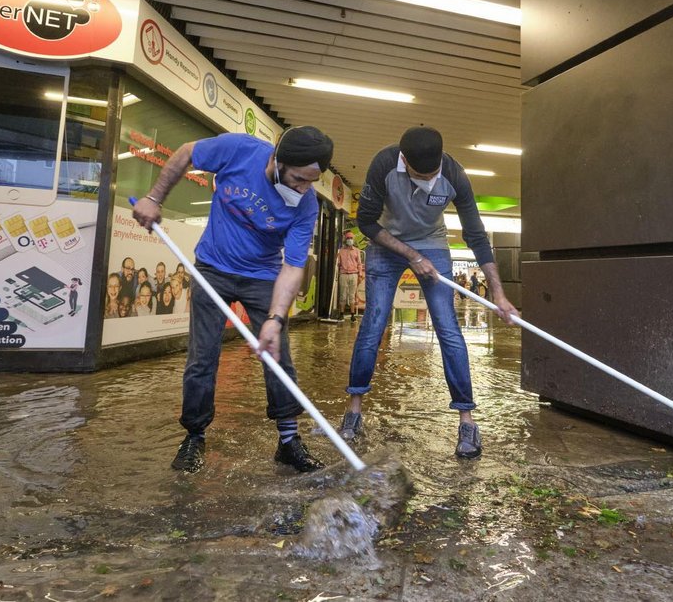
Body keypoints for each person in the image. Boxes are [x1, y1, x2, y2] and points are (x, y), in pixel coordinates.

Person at [132, 125, 334, 474]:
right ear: (277, 161)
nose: (304, 189)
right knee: (202, 357)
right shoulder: (238, 150)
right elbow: (185, 153)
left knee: (279, 355)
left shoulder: (305, 206)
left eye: (311, 182)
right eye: (299, 179)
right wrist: (154, 198)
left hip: (263, 276)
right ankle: (194, 436)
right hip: (213, 267)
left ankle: (288, 441)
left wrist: (275, 319)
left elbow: (293, 267)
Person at [339, 126, 517, 459]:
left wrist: (499, 295)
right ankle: (353, 410)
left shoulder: (453, 174)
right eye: (420, 175)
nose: (426, 180)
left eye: (431, 174)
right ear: (404, 160)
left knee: (448, 328)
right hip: (386, 242)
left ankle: (467, 420)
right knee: (373, 324)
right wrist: (410, 256)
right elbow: (366, 222)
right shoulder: (384, 164)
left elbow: (476, 236)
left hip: (432, 244)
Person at [336, 231, 362, 319]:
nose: (349, 240)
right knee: (342, 295)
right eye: (348, 238)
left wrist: (360, 274)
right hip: (343, 274)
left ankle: (352, 315)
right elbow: (338, 263)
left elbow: (359, 263)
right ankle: (341, 314)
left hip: (354, 274)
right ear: (345, 240)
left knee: (352, 295)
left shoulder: (357, 251)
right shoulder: (341, 251)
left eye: (351, 238)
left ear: (353, 240)